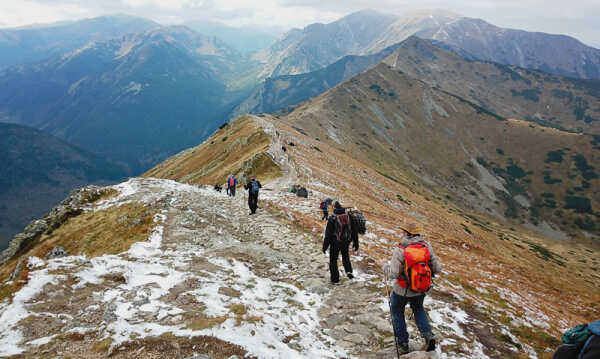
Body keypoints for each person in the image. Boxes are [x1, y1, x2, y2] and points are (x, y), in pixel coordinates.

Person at [378, 222, 441, 354]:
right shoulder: (426, 247)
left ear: (407, 233)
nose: (402, 233)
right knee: (418, 309)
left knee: (396, 311)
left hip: (402, 290)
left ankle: (402, 343)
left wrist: (383, 265)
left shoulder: (400, 249)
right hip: (420, 288)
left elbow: (393, 274)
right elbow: (437, 268)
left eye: (404, 231)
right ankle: (428, 336)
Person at [322, 201, 359, 283]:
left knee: (333, 260)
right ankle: (349, 271)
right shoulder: (349, 216)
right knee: (345, 256)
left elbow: (328, 235)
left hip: (335, 242)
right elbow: (354, 231)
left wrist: (325, 247)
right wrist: (356, 243)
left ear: (334, 208)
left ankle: (335, 280)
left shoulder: (333, 218)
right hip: (346, 241)